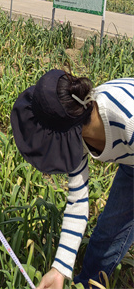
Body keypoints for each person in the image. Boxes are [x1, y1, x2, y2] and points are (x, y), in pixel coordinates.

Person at [10, 69, 134, 288]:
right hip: (130, 160)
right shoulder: (76, 125)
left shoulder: (128, 119)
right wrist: (59, 269)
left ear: (60, 137)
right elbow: (78, 201)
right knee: (108, 233)